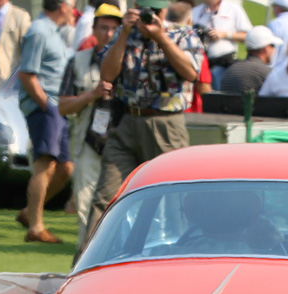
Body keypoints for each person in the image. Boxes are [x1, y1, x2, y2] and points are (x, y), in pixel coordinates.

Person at [83, 0, 203, 241]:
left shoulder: (183, 34)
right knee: (105, 197)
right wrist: (124, 35)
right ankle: (85, 263)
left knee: (175, 198)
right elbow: (107, 74)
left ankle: (178, 261)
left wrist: (161, 37)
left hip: (166, 123)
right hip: (128, 120)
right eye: (144, 11)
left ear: (164, 11)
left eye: (155, 11)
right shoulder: (124, 33)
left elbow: (191, 73)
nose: (149, 17)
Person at [58, 3, 120, 245]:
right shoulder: (78, 61)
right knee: (85, 205)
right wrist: (91, 95)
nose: (109, 34)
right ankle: (85, 260)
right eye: (104, 28)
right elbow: (63, 107)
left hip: (120, 144)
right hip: (87, 143)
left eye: (114, 29)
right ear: (93, 29)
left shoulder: (130, 60)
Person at [15, 0, 75, 244]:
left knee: (65, 168)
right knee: (45, 164)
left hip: (57, 107)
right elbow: (27, 73)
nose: (73, 7)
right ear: (61, 6)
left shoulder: (55, 31)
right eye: (71, 3)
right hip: (46, 107)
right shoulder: (39, 31)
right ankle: (36, 227)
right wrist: (46, 106)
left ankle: (30, 212)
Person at [190, 0, 249, 91]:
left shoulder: (233, 9)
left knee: (218, 97)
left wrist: (225, 35)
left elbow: (248, 36)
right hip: (200, 64)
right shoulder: (195, 11)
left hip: (222, 64)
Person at [220, 25, 279, 95]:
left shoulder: (230, 70)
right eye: (273, 46)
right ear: (265, 48)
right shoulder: (268, 74)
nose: (274, 50)